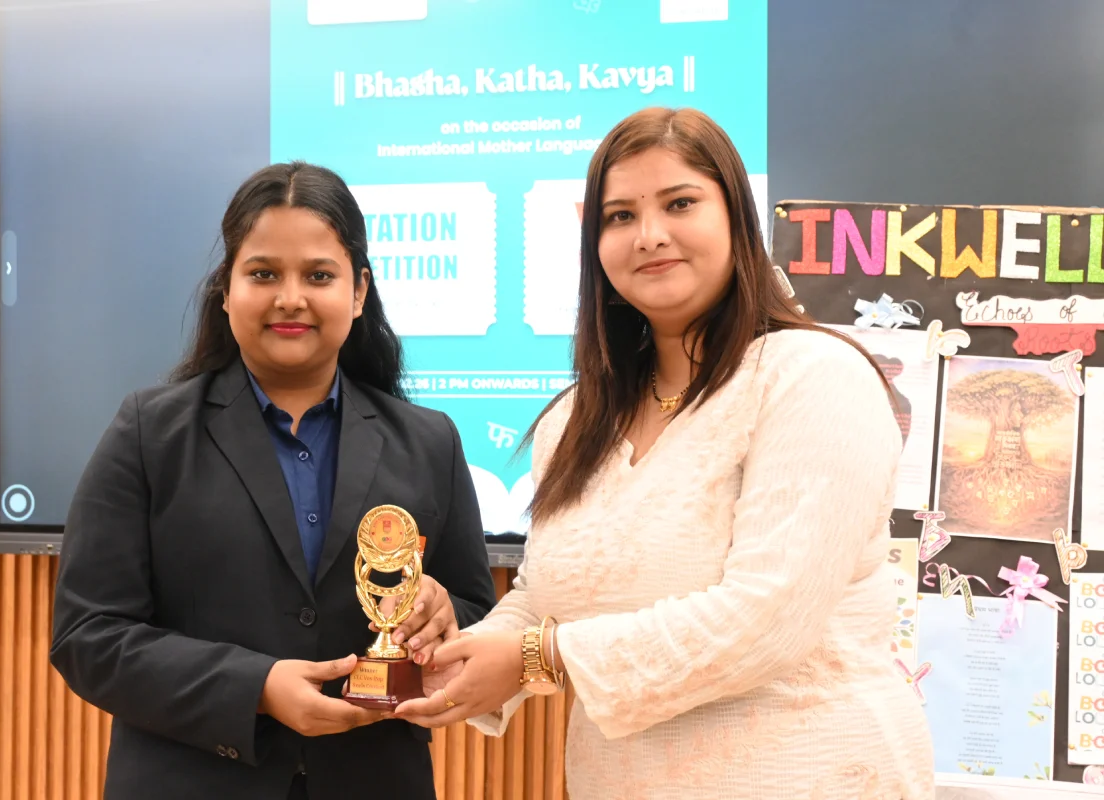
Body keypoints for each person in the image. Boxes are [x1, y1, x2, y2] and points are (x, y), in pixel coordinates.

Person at [394, 108, 936, 800]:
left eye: (680, 203)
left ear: (736, 219)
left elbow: (766, 619)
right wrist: (450, 652)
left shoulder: (812, 377)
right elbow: (545, 598)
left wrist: (537, 656)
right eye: (620, 216)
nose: (649, 235)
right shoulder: (574, 418)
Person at [50, 161, 497, 800]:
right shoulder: (149, 433)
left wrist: (443, 614)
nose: (291, 297)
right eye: (263, 274)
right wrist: (254, 687)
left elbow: (478, 617)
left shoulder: (429, 442)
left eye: (319, 275)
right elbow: (88, 636)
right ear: (225, 290)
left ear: (359, 291)